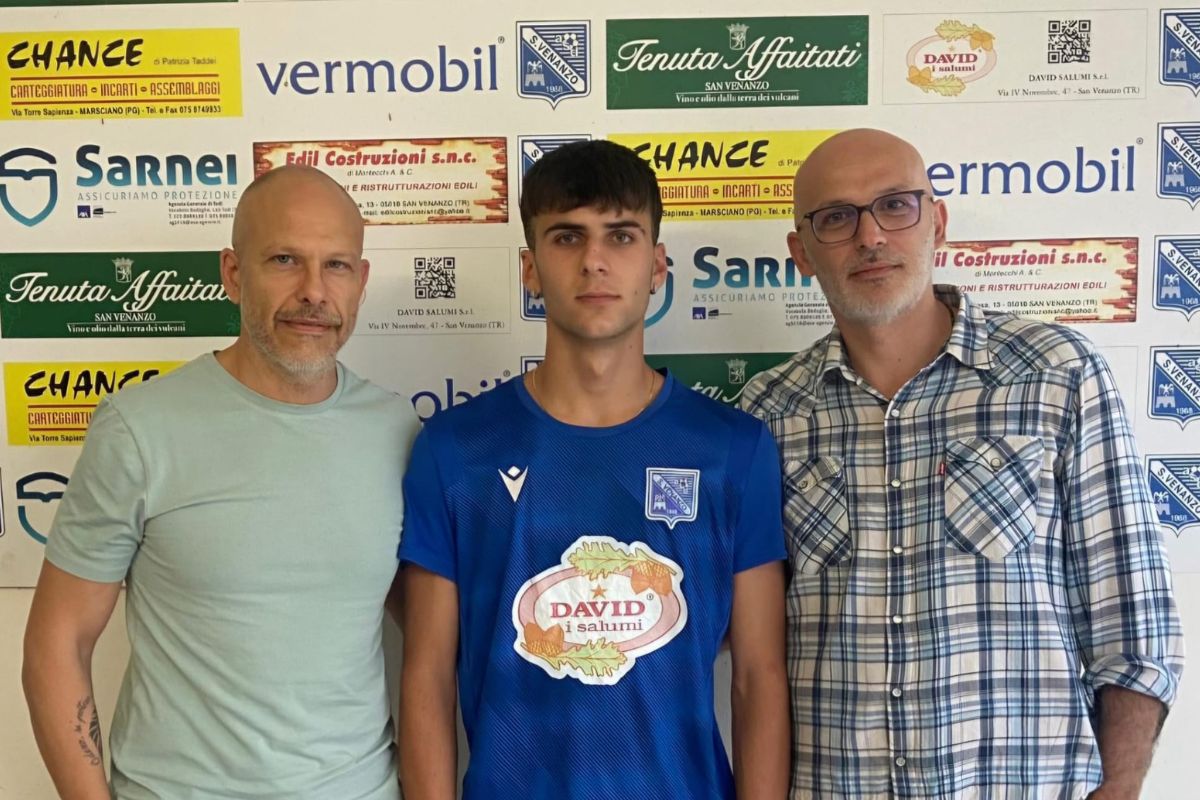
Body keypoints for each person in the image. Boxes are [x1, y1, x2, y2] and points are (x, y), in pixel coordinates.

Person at [740, 128, 1186, 799]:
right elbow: (746, 644)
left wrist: (1117, 790)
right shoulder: (768, 412)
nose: (870, 237)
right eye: (836, 218)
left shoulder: (1057, 375)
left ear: (938, 222)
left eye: (896, 205)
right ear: (801, 252)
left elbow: (1134, 627)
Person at [398, 139, 789, 799]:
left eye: (621, 235)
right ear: (530, 270)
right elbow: (427, 677)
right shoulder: (455, 450)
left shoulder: (733, 449)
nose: (595, 260)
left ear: (658, 265)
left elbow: (758, 677)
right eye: (567, 237)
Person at [22, 165, 417, 800]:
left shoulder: (398, 431)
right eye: (285, 260)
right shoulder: (139, 428)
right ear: (233, 273)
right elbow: (57, 643)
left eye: (337, 266)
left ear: (361, 281)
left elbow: (434, 635)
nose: (314, 292)